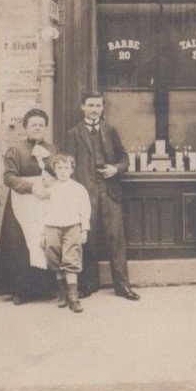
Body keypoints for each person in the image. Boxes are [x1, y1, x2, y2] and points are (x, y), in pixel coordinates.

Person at [64, 90, 140, 301]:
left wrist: (115, 169)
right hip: (85, 192)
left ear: (102, 107)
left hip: (109, 191)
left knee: (116, 239)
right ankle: (88, 284)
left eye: (98, 105)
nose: (94, 109)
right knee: (88, 238)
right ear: (82, 107)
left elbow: (125, 159)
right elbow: (69, 165)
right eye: (90, 105)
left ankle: (122, 286)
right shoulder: (73, 134)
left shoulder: (110, 130)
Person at [0, 108, 56, 304]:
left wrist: (52, 179)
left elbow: (59, 170)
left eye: (41, 125)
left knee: (41, 241)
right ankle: (19, 291)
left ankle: (42, 290)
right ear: (26, 127)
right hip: (21, 202)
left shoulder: (51, 149)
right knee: (19, 246)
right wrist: (31, 187)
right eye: (33, 125)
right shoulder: (16, 150)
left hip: (44, 202)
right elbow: (9, 178)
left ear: (45, 127)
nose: (37, 128)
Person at [42, 153, 91, 314]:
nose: (63, 171)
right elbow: (43, 212)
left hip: (72, 226)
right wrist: (43, 234)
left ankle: (73, 296)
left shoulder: (78, 189)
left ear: (72, 170)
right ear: (54, 170)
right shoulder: (49, 189)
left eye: (66, 168)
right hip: (52, 227)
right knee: (54, 258)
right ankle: (62, 293)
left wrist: (84, 229)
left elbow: (85, 210)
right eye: (59, 167)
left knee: (71, 259)